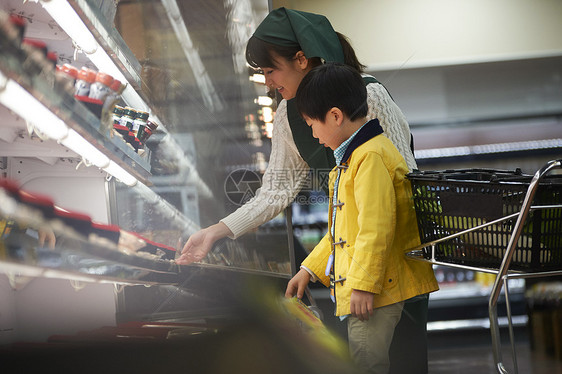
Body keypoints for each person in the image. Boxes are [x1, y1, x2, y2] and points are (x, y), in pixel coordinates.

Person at [176, 7, 428, 374]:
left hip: (397, 263)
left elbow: (402, 190)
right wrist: (218, 231)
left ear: (301, 58)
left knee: (401, 360)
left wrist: (367, 279)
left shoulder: (368, 95)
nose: (267, 82)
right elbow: (276, 192)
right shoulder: (286, 115)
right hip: (354, 267)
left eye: (269, 69)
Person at [284, 62, 438, 374]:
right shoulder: (354, 159)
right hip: (373, 286)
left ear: (335, 116)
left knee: (366, 363)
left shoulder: (369, 158)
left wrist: (365, 286)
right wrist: (308, 270)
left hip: (377, 291)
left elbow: (375, 229)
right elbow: (342, 230)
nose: (313, 135)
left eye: (312, 124)